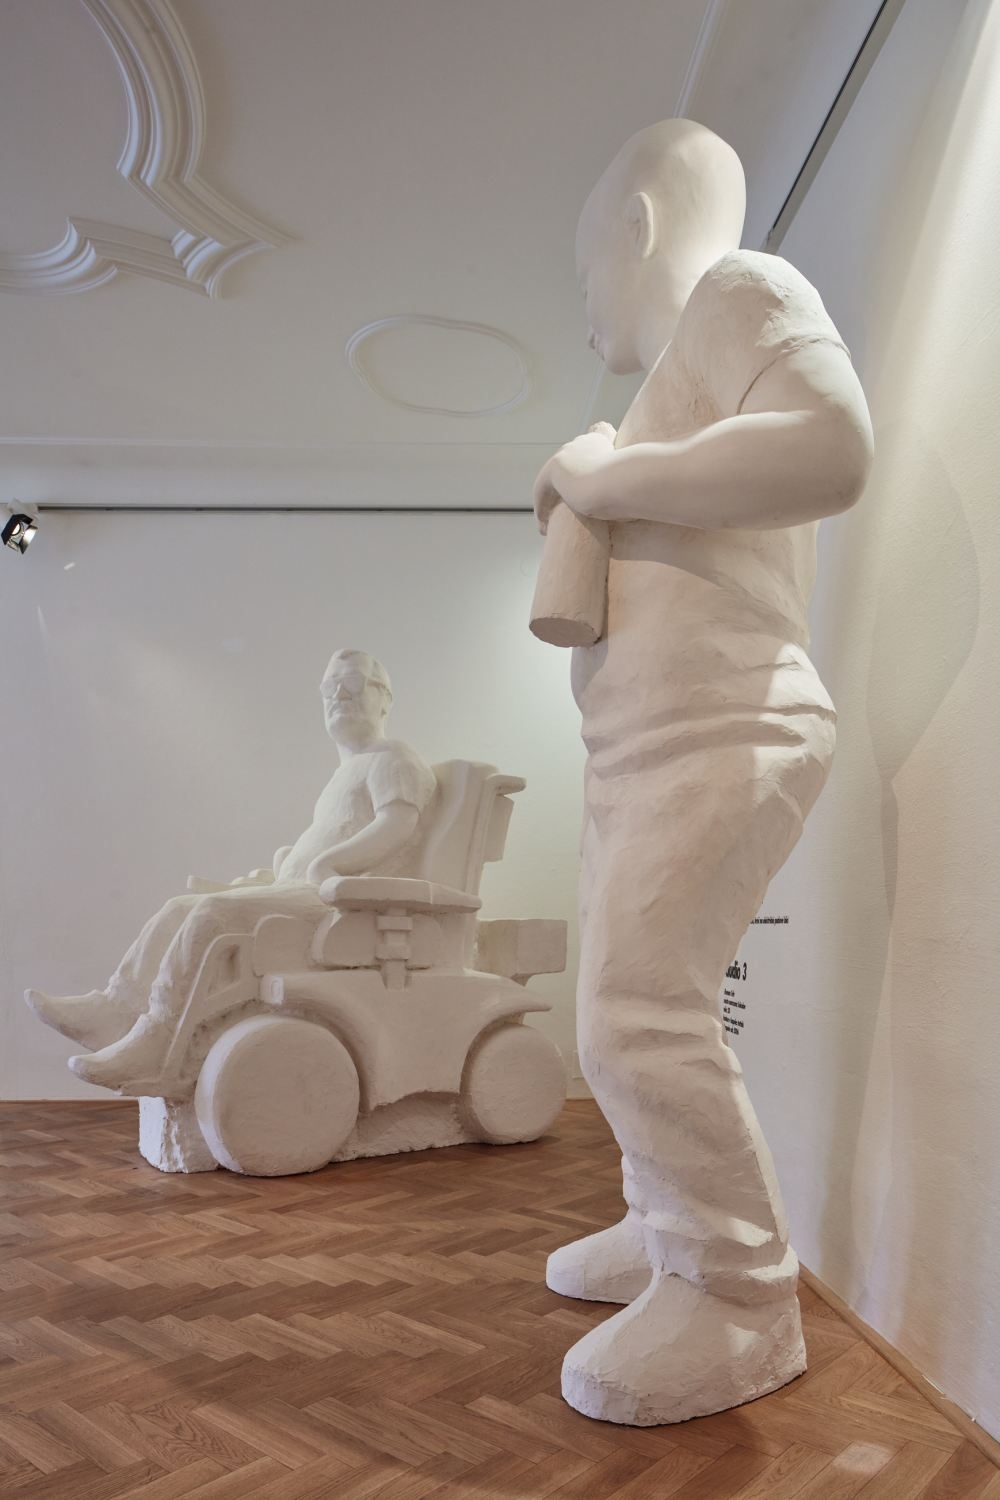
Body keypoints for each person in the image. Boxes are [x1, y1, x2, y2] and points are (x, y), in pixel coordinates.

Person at [533, 120, 873, 1423]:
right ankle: (663, 1224)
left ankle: (737, 1297)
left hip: (725, 724)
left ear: (635, 225)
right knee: (620, 1011)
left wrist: (615, 477)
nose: (583, 301)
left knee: (636, 1009)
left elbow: (831, 446)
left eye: (584, 265)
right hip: (638, 751)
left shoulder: (742, 289)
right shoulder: (653, 395)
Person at [27, 649, 436, 1092]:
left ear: (384, 698)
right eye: (330, 687)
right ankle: (113, 1010)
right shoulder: (346, 772)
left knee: (212, 914)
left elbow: (398, 824)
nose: (339, 695)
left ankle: (156, 1037)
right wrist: (281, 870)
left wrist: (329, 863)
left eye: (352, 684)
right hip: (305, 888)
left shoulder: (393, 757)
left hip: (337, 900)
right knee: (180, 906)